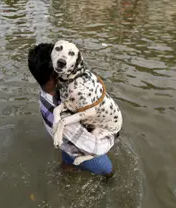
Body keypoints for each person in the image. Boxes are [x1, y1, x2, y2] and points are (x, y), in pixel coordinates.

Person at [27, 43, 117, 177]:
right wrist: (112, 137)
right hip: (81, 149)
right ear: (54, 75)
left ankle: (66, 171)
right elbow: (91, 146)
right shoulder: (63, 119)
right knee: (109, 172)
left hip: (66, 143)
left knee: (67, 162)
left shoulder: (45, 94)